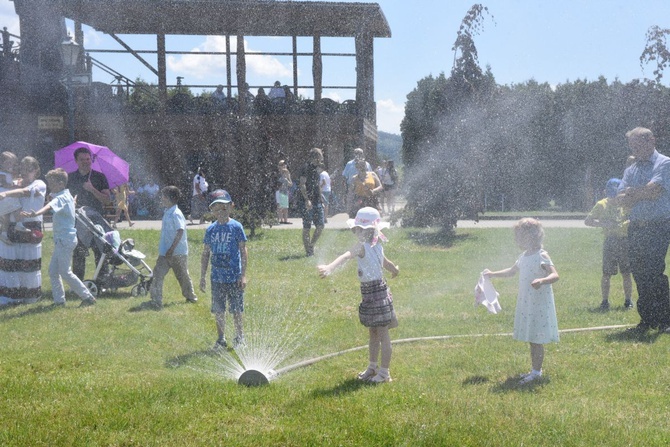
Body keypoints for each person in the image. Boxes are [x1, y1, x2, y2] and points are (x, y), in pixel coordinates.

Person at [317, 207, 400, 383]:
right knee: (373, 332)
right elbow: (387, 263)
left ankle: (385, 373)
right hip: (371, 294)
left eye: (356, 229)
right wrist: (395, 270)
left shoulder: (363, 246)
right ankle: (372, 367)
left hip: (377, 293)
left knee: (383, 334)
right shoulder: (376, 245)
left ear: (363, 230)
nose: (355, 232)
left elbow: (345, 256)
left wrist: (329, 268)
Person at [483, 218, 559, 384]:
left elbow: (555, 275)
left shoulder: (542, 255)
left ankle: (536, 372)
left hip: (539, 303)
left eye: (519, 236)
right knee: (532, 337)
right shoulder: (524, 256)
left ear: (532, 236)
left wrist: (541, 281)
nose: (516, 239)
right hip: (528, 302)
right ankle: (534, 370)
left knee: (537, 338)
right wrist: (493, 274)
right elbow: (511, 272)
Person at [618, 127, 670, 333]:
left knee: (654, 272)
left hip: (658, 226)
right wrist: (636, 193)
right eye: (632, 146)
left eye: (638, 145)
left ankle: (665, 320)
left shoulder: (664, 163)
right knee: (639, 273)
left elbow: (654, 191)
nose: (635, 150)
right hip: (636, 227)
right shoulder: (632, 168)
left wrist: (633, 193)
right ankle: (647, 319)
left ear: (651, 141)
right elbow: (620, 197)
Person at [23, 168, 96, 306]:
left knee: (65, 272)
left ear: (61, 184)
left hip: (65, 240)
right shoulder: (66, 194)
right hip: (64, 239)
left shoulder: (61, 197)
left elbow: (50, 205)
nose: (50, 186)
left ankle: (87, 297)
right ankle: (59, 301)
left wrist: (36, 213)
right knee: (53, 271)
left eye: (52, 183)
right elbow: (55, 199)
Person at [200, 189, 248, 349]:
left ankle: (240, 337)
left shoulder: (236, 227)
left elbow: (243, 250)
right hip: (217, 278)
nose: (221, 211)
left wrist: (243, 275)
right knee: (219, 310)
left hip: (234, 277)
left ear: (231, 207)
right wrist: (202, 277)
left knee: (236, 309)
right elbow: (206, 253)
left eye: (224, 207)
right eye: (217, 208)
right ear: (212, 211)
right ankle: (221, 339)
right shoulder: (211, 230)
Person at [0, 156, 46, 305]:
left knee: (28, 264)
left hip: (30, 228)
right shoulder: (13, 182)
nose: (25, 172)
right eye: (23, 169)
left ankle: (30, 297)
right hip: (10, 227)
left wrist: (7, 193)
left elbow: (25, 192)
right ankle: (10, 297)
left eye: (29, 169)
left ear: (36, 171)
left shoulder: (39, 184)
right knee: (10, 264)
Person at [584, 178, 633, 310]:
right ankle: (605, 301)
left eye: (616, 195)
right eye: (611, 195)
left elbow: (633, 217)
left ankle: (628, 301)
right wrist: (603, 224)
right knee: (606, 273)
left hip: (624, 241)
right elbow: (588, 221)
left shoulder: (626, 204)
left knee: (626, 272)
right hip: (610, 241)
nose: (614, 198)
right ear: (605, 192)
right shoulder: (601, 204)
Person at [147, 186, 198, 309]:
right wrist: (167, 250)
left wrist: (171, 249)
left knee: (183, 276)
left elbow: (180, 231)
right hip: (165, 253)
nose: (162, 199)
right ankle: (156, 300)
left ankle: (191, 296)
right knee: (158, 274)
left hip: (177, 252)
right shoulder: (167, 212)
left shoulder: (176, 213)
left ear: (171, 198)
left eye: (163, 196)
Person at [67, 147, 111, 281]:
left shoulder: (99, 176)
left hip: (97, 220)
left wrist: (92, 189)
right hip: (78, 221)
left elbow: (107, 200)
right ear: (76, 161)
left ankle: (102, 281)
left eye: (88, 159)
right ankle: (78, 284)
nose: (86, 162)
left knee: (101, 251)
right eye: (82, 159)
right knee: (79, 252)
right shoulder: (70, 178)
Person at [298, 148, 325, 257]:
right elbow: (302, 184)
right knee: (307, 227)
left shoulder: (317, 169)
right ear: (316, 156)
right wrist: (307, 199)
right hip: (306, 202)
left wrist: (321, 200)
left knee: (320, 226)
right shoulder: (305, 167)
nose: (322, 157)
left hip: (317, 201)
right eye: (321, 155)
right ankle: (308, 252)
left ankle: (311, 245)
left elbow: (317, 185)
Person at [341, 148, 371, 212]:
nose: (358, 155)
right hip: (352, 187)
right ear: (354, 154)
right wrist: (344, 188)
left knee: (364, 205)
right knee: (352, 203)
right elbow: (344, 176)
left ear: (363, 154)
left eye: (360, 153)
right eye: (356, 153)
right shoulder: (349, 164)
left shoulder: (367, 164)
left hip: (364, 187)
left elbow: (370, 175)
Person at [276, 160, 293, 224]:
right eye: (282, 165)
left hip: (285, 192)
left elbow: (291, 184)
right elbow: (278, 183)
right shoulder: (278, 173)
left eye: (285, 165)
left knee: (285, 207)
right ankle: (280, 220)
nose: (284, 166)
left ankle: (285, 220)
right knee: (280, 206)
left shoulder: (287, 174)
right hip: (279, 192)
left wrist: (288, 177)